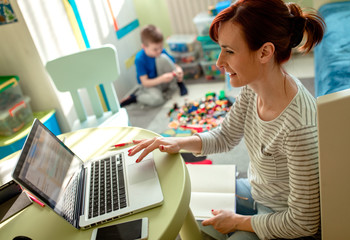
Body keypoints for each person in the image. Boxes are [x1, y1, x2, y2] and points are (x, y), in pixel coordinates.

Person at [127, 0, 325, 239]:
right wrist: (177, 143)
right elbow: (225, 136)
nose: (219, 62)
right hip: (259, 192)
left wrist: (239, 222)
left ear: (265, 52)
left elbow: (304, 223)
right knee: (185, 202)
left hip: (282, 221)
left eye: (229, 51)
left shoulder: (299, 127)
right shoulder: (254, 88)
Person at [120, 24, 188, 107]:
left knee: (162, 58)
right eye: (155, 49)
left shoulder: (161, 52)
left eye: (161, 47)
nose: (159, 50)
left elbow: (173, 65)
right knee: (157, 100)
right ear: (144, 47)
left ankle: (180, 83)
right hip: (150, 85)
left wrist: (178, 70)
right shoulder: (140, 59)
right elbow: (145, 82)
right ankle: (136, 97)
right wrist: (161, 79)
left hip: (163, 80)